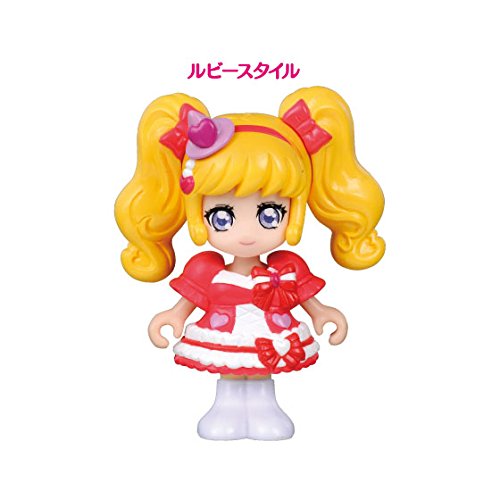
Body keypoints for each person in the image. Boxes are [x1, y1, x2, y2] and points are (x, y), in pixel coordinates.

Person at [115, 86, 385, 440]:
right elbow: (189, 300)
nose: (246, 234)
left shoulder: (285, 267)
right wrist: (174, 315)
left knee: (261, 372)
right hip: (223, 328)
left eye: (269, 214)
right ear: (197, 213)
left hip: (271, 330)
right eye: (223, 216)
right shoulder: (207, 268)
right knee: (230, 371)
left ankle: (264, 408)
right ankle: (225, 407)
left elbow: (305, 297)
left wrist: (321, 312)